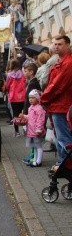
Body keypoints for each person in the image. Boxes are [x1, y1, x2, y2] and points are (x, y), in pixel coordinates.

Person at [40, 35, 72, 169]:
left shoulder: (67, 63)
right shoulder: (60, 61)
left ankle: (66, 165)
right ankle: (63, 163)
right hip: (57, 105)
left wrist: (44, 98)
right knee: (60, 138)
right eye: (55, 44)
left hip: (61, 106)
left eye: (60, 44)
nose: (56, 46)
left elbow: (57, 86)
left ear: (67, 45)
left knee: (63, 139)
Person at [24, 90, 47, 167]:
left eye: (33, 98)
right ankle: (35, 160)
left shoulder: (39, 108)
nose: (30, 99)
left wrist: (39, 129)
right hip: (31, 130)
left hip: (36, 131)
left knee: (38, 146)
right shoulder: (30, 107)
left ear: (37, 99)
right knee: (34, 146)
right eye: (29, 98)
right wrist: (24, 117)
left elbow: (40, 120)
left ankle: (39, 161)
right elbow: (30, 117)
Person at [5, 58, 27, 137]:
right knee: (23, 112)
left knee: (15, 113)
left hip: (13, 96)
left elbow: (7, 86)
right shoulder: (23, 74)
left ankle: (17, 131)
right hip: (22, 96)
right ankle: (25, 129)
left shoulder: (10, 75)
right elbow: (25, 83)